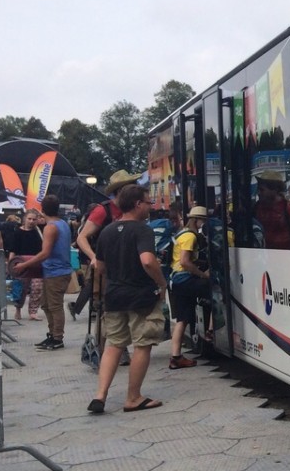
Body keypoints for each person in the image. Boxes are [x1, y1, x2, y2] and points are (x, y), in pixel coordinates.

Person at [87, 184, 166, 414]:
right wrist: (161, 282)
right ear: (138, 204)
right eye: (148, 202)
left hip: (114, 296)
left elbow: (100, 266)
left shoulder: (107, 231)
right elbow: (148, 260)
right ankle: (133, 397)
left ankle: (100, 395)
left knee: (114, 344)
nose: (150, 206)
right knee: (143, 344)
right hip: (140, 296)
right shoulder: (142, 230)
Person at [70, 170, 141, 319]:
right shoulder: (103, 210)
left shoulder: (134, 210)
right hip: (107, 268)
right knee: (106, 310)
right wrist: (93, 257)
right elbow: (81, 237)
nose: (137, 190)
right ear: (122, 190)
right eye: (132, 187)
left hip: (128, 268)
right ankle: (102, 341)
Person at [14, 195, 73, 350]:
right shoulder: (63, 224)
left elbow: (45, 253)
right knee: (46, 305)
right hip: (56, 270)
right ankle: (53, 334)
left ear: (42, 209)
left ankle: (57, 338)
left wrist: (24, 264)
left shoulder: (50, 227)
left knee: (54, 306)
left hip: (56, 271)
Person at [167, 205, 210, 369]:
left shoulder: (181, 233)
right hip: (185, 279)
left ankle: (176, 356)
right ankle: (211, 330)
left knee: (182, 319)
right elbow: (185, 261)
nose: (203, 224)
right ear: (196, 220)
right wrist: (202, 274)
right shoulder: (190, 237)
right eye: (202, 221)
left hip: (176, 280)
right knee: (215, 291)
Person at [8, 209, 44, 321]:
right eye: (29, 219)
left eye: (34, 219)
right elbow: (12, 250)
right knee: (21, 288)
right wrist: (11, 266)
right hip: (21, 263)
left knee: (37, 287)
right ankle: (18, 309)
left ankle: (33, 311)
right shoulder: (17, 232)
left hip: (36, 263)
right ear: (24, 219)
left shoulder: (39, 232)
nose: (31, 221)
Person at [254, 171, 290, 250]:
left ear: (274, 190)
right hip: (264, 254)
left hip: (285, 254)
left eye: (262, 190)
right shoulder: (257, 207)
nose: (258, 193)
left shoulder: (286, 206)